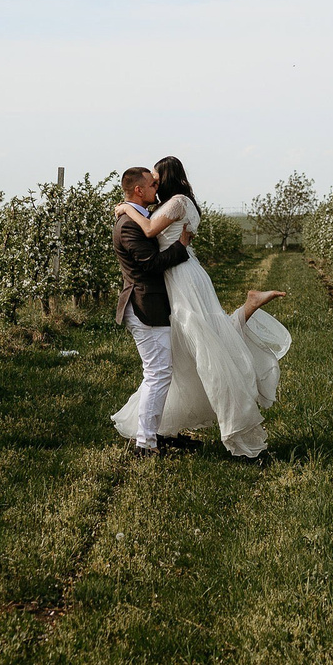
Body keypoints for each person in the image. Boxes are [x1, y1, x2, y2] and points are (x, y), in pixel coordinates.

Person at [109, 155, 290, 463]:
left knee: (207, 349)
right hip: (177, 280)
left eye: (156, 180)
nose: (154, 185)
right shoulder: (177, 203)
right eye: (149, 182)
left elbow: (151, 230)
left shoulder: (175, 202)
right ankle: (158, 431)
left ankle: (234, 433)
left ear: (165, 179)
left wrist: (126, 208)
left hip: (180, 279)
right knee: (190, 353)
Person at [112, 165, 197, 458]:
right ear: (139, 189)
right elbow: (149, 264)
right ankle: (145, 444)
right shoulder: (128, 225)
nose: (156, 188)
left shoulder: (140, 217)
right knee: (158, 373)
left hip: (153, 304)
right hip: (144, 305)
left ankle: (154, 436)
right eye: (152, 184)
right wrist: (181, 245)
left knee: (160, 373)